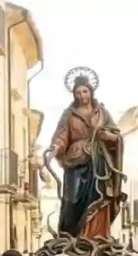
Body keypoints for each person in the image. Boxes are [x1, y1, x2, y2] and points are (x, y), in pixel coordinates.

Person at [48, 73, 125, 238]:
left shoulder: (102, 112)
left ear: (90, 92)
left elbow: (116, 136)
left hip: (100, 162)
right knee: (73, 200)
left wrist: (109, 137)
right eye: (78, 92)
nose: (81, 95)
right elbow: (61, 137)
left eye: (84, 91)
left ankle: (96, 237)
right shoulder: (69, 114)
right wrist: (54, 149)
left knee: (99, 197)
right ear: (74, 95)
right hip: (76, 162)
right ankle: (71, 237)